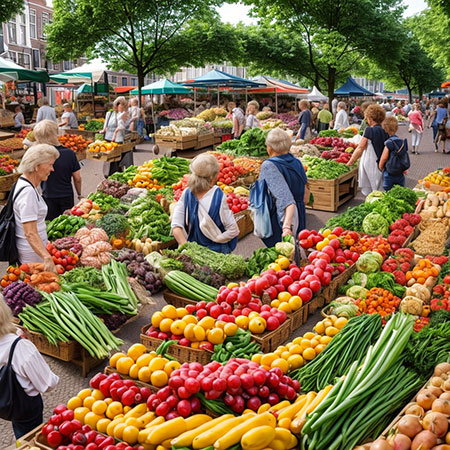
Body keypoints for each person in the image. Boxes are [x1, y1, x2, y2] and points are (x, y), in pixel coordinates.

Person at [0, 297, 59, 439]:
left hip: (5, 405)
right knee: (31, 437)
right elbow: (48, 384)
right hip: (26, 409)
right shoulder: (20, 347)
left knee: (19, 428)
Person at [171, 153, 239, 253]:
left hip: (193, 251)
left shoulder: (186, 193)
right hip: (216, 254)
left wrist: (188, 249)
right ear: (212, 179)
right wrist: (218, 238)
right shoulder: (218, 195)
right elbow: (233, 230)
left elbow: (176, 226)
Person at [258, 128, 309, 247]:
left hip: (281, 217)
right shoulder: (296, 162)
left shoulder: (269, 165)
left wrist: (286, 227)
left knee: (283, 255)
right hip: (298, 213)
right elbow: (306, 193)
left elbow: (285, 200)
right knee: (297, 250)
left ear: (270, 148)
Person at [13, 144, 59, 268]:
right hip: (31, 254)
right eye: (50, 165)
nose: (52, 169)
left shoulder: (26, 184)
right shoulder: (27, 192)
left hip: (34, 251)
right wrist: (47, 257)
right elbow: (30, 233)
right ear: (36, 166)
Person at [34, 120, 82, 220]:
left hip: (48, 195)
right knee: (68, 224)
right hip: (66, 195)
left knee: (51, 225)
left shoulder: (40, 155)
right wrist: (79, 195)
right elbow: (77, 178)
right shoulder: (69, 153)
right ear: (56, 133)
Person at [347, 104, 388, 196]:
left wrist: (351, 160)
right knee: (379, 187)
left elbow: (360, 148)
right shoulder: (385, 130)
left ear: (370, 118)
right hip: (381, 161)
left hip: (370, 162)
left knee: (370, 189)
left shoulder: (369, 130)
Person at [379, 116, 407, 191]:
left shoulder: (389, 143)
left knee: (389, 192)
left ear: (385, 129)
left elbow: (384, 158)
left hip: (389, 173)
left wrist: (380, 166)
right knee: (400, 191)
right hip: (400, 173)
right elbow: (403, 156)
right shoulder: (401, 142)